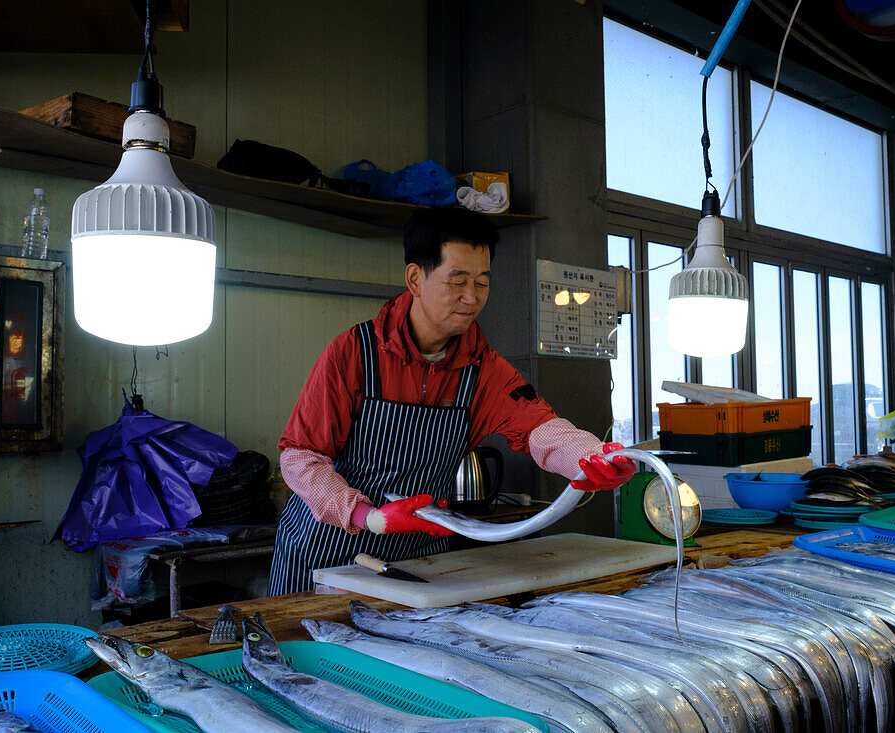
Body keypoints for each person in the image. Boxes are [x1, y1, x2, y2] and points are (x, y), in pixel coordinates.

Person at [268, 207, 636, 595]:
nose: (471, 297)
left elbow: (540, 427)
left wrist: (593, 457)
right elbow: (300, 457)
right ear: (415, 278)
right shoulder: (354, 353)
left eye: (482, 282)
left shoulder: (483, 368)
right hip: (323, 555)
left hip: (418, 559)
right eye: (457, 281)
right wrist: (369, 517)